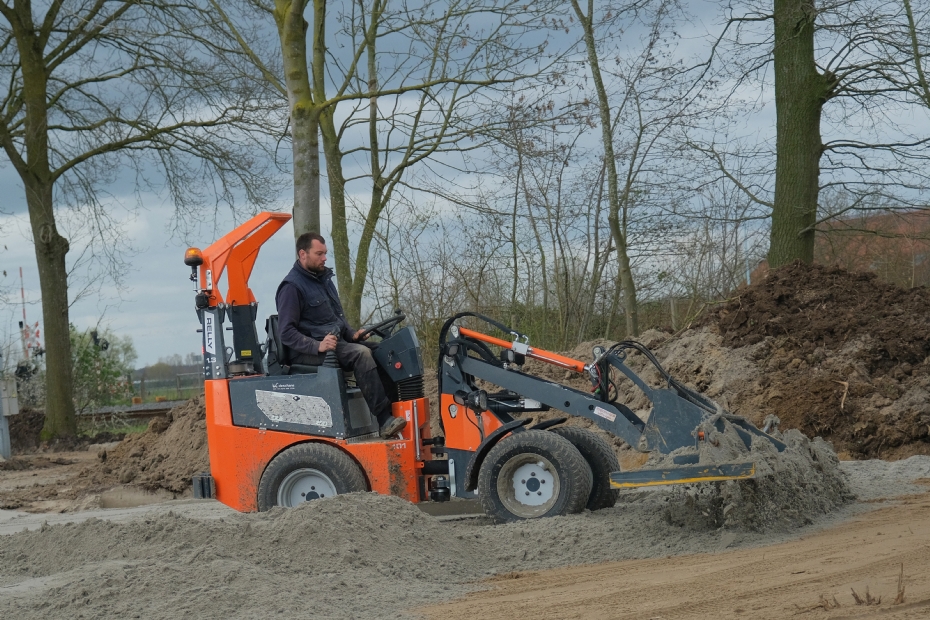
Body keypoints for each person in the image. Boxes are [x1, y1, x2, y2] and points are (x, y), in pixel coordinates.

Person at [276, 232, 406, 438]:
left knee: (385, 350)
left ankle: (395, 411)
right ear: (303, 254)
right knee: (361, 354)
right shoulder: (291, 288)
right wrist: (317, 346)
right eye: (319, 254)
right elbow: (286, 332)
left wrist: (353, 334)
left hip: (338, 342)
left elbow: (337, 319)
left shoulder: (324, 280)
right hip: (309, 351)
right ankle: (383, 420)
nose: (324, 258)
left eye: (325, 253)